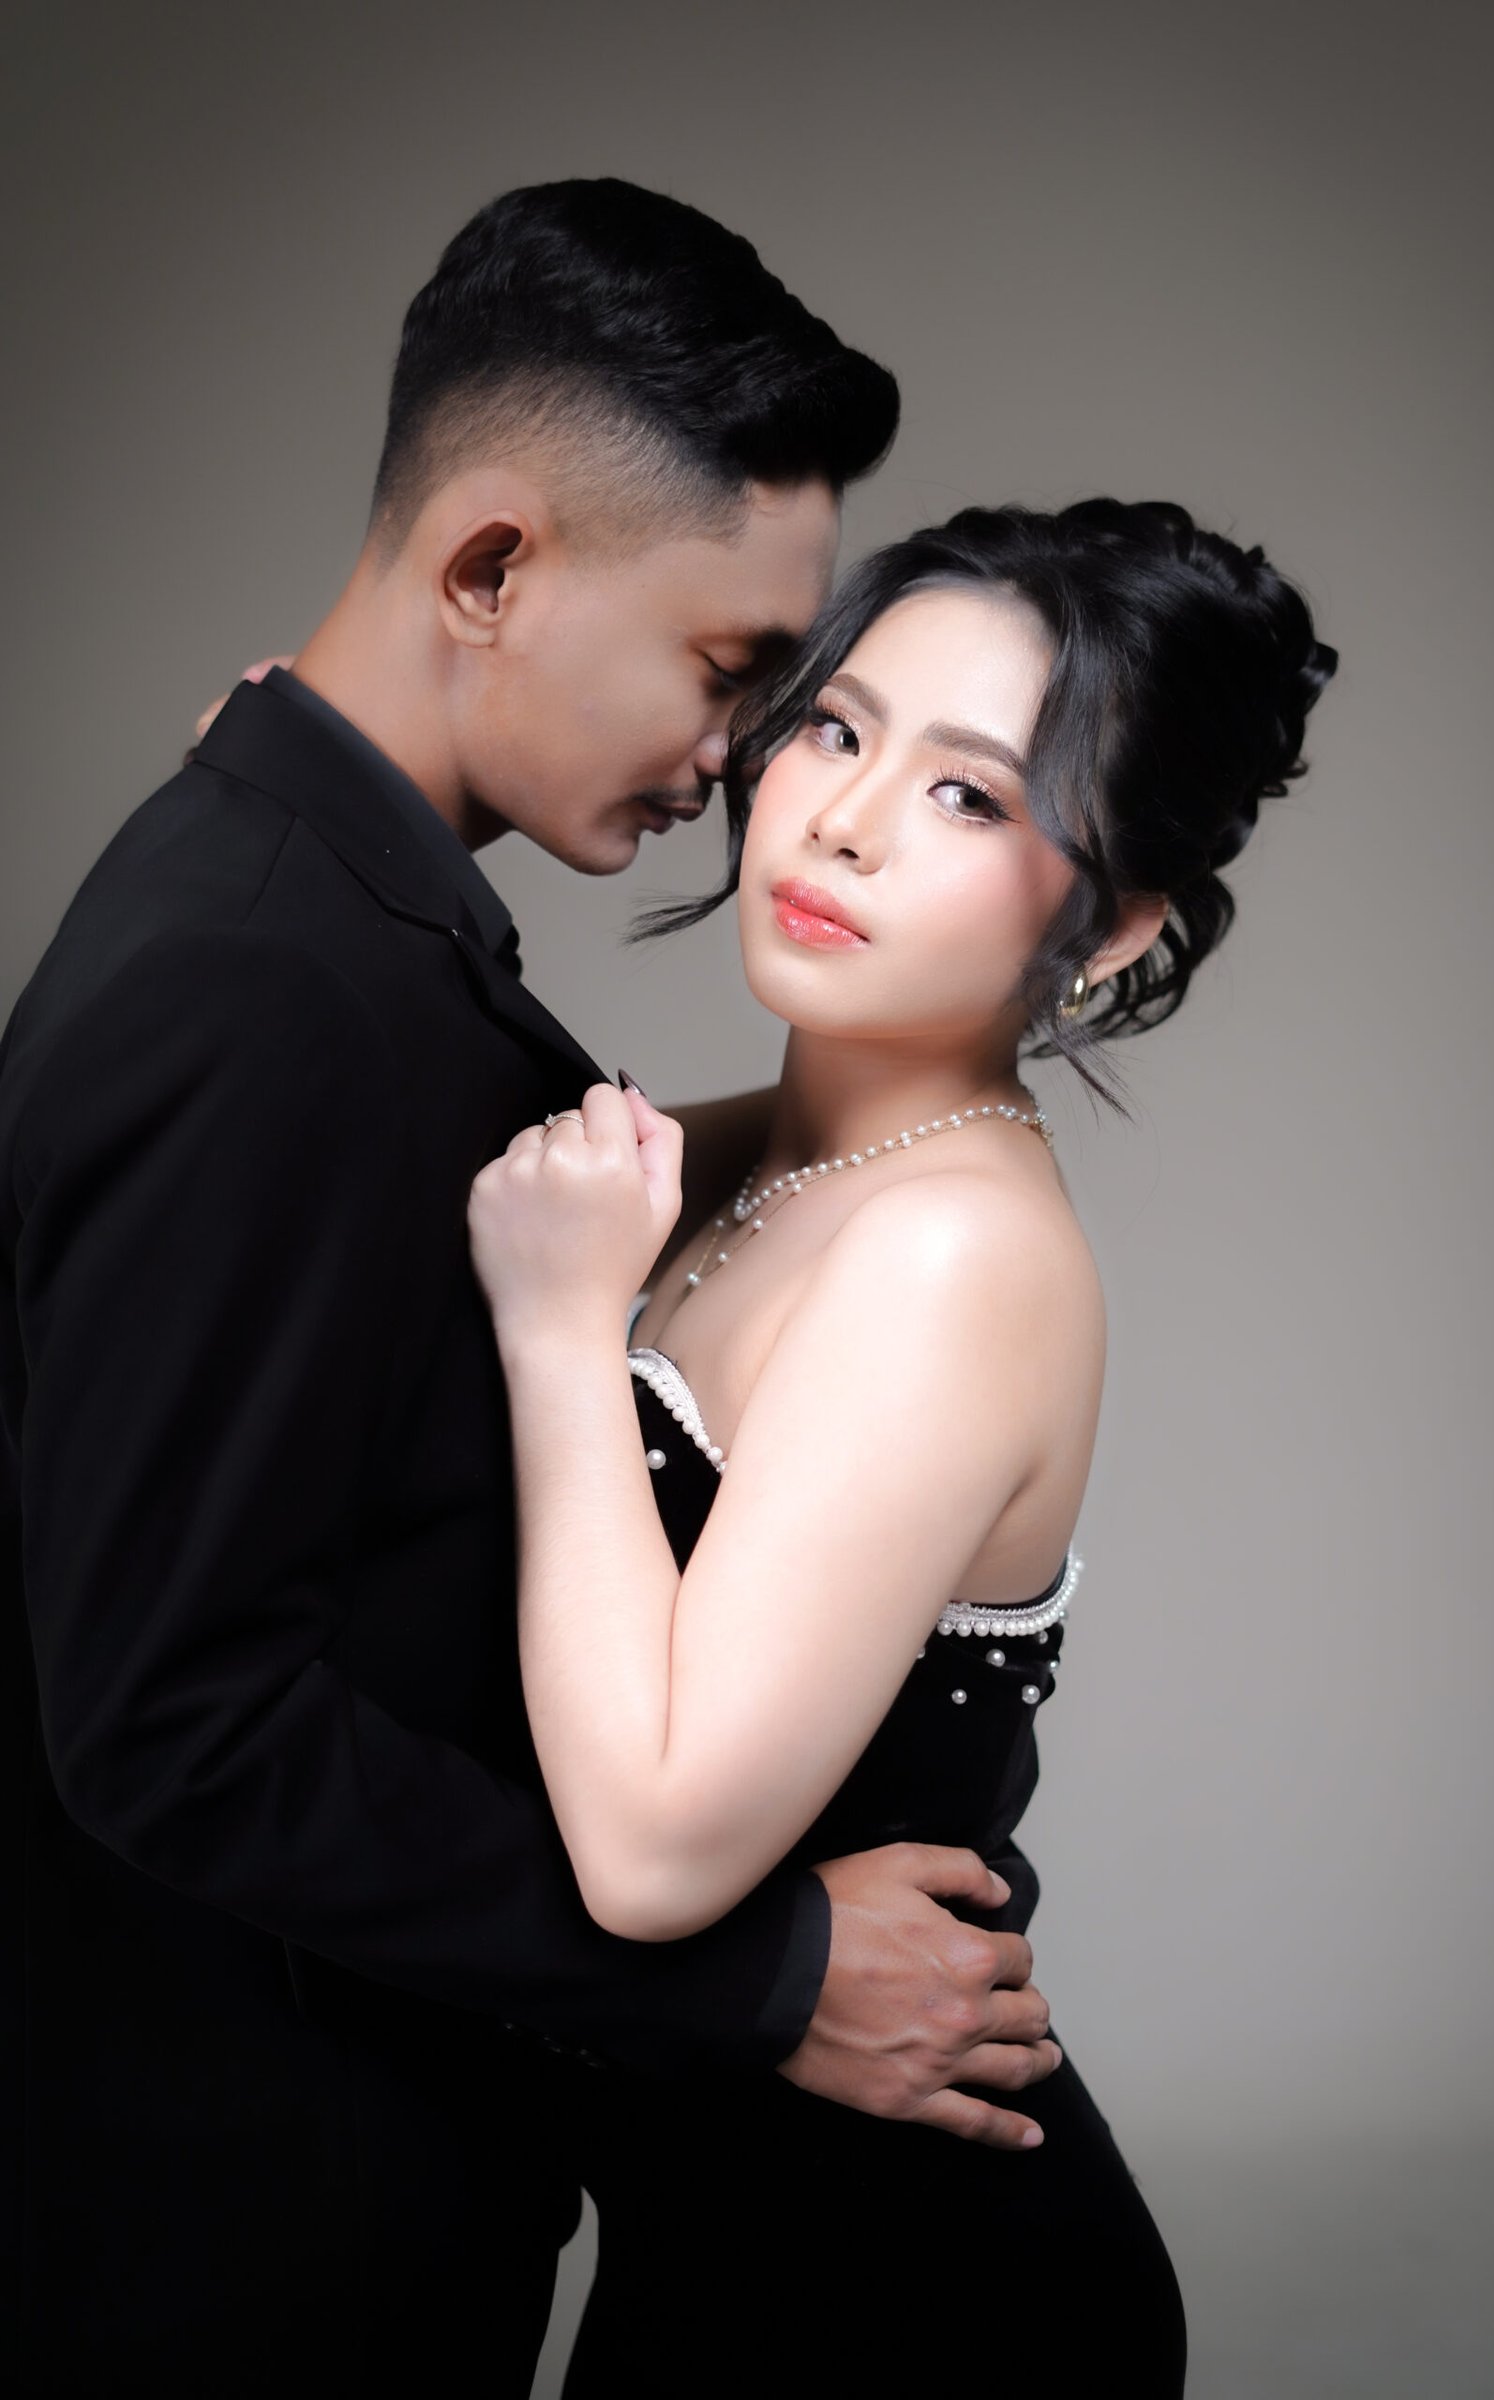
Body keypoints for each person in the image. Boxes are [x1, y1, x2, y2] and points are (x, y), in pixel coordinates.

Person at [0, 183, 1064, 2400]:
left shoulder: (326, 916)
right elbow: (169, 1721)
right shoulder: (256, 977)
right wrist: (763, 1980)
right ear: (491, 570)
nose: (741, 766)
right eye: (730, 674)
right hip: (248, 2235)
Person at [467, 497, 1337, 2391]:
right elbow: (451, 1133)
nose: (845, 819)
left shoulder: (954, 1251)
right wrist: (295, 803)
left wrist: (555, 1336)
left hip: (918, 2288)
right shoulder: (760, 1163)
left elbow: (653, 1854)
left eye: (968, 795)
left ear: (1114, 928)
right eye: (837, 731)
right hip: (726, 2239)